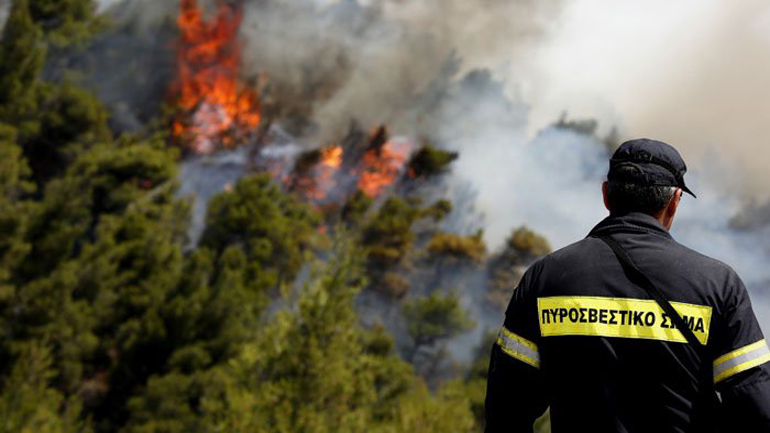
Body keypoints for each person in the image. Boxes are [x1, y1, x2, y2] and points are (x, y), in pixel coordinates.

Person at [484, 138, 770, 432]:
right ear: (674, 202)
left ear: (606, 195)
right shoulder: (719, 285)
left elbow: (506, 411)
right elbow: (757, 409)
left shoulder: (544, 278)